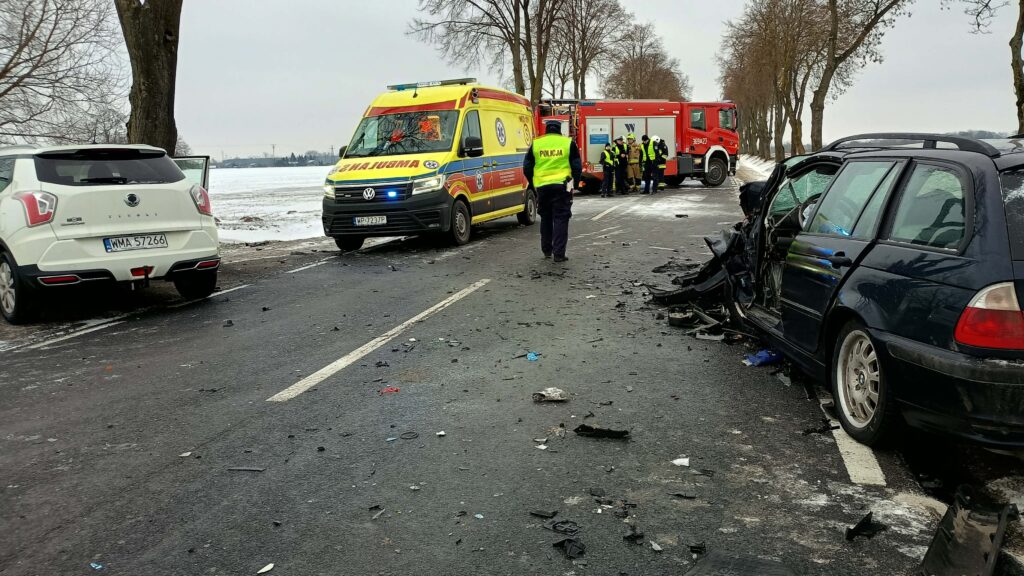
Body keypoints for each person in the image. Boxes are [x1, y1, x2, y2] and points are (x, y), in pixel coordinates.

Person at [523, 120, 583, 262]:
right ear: (559, 130)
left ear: (547, 129)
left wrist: (533, 183)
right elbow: (576, 166)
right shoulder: (568, 143)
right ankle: (559, 254)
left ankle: (547, 250)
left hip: (543, 187)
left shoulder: (536, 144)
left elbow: (526, 167)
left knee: (546, 217)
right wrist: (575, 183)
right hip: (563, 186)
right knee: (561, 218)